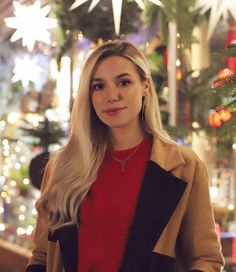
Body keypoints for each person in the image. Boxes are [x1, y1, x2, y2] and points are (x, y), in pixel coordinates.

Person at [25, 40, 224, 272]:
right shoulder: (63, 166)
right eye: (98, 86)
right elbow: (41, 257)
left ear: (145, 86)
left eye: (124, 82)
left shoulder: (184, 167)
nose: (112, 95)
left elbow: (205, 259)